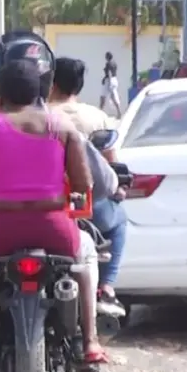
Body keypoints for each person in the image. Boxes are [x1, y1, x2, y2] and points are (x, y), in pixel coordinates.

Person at [0, 31, 120, 372]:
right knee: (85, 253)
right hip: (54, 229)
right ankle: (90, 341)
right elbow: (86, 183)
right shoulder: (62, 126)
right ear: (44, 89)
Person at [49, 57, 128, 317]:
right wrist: (118, 190)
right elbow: (111, 166)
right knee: (119, 219)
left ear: (50, 83)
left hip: (44, 206)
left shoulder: (39, 117)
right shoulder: (97, 117)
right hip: (88, 209)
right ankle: (106, 287)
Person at [100, 51, 122, 117]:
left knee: (103, 96)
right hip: (114, 79)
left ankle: (100, 112)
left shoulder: (108, 63)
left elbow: (109, 73)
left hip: (109, 80)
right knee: (113, 96)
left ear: (107, 57)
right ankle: (119, 112)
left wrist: (109, 82)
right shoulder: (114, 63)